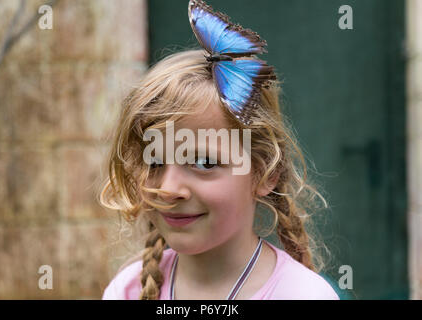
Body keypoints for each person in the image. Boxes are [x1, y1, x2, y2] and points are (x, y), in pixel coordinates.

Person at [99, 47, 339, 300]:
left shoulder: (303, 295)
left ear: (265, 172)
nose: (168, 189)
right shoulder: (126, 290)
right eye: (155, 162)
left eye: (204, 162)